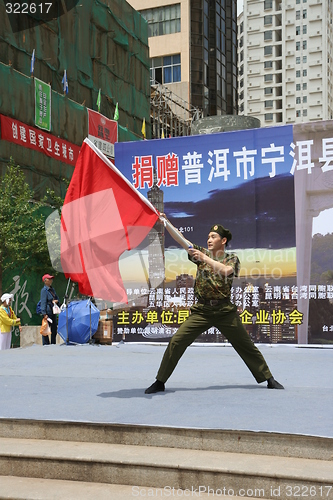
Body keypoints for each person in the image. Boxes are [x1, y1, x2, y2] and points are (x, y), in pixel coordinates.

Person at [145, 215, 284, 394]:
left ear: (223, 240)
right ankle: (160, 381)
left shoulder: (231, 259)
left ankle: (268, 378)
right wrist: (166, 223)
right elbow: (182, 240)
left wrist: (204, 257)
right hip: (202, 311)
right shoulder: (200, 253)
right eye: (208, 237)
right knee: (177, 341)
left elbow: (226, 271)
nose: (209, 240)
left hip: (225, 311)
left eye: (213, 237)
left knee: (246, 345)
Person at [40, 274, 60, 345]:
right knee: (45, 328)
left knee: (54, 329)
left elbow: (57, 298)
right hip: (48, 312)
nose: (51, 280)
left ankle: (53, 343)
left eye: (51, 279)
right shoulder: (44, 290)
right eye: (49, 279)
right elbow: (43, 302)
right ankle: (46, 344)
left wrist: (57, 301)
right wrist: (44, 313)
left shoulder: (52, 290)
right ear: (45, 281)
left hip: (53, 311)